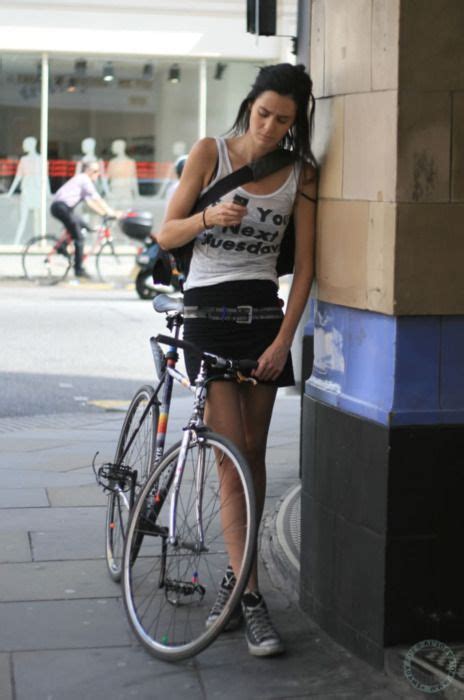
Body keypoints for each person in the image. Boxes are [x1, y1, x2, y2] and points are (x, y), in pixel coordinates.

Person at [157, 63, 317, 657]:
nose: (272, 127)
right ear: (249, 105)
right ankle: (249, 598)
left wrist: (284, 342)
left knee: (252, 453)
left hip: (262, 323)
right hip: (208, 317)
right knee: (229, 460)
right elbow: (165, 233)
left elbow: (306, 268)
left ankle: (234, 576)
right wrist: (207, 217)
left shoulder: (301, 174)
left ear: (298, 121)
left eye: (284, 119)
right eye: (263, 114)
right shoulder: (211, 153)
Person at [50, 161, 119, 278]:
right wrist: (110, 211)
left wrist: (103, 213)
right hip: (61, 207)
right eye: (95, 171)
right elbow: (96, 198)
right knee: (79, 238)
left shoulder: (82, 181)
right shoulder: (84, 179)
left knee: (85, 226)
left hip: (64, 208)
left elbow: (90, 203)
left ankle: (63, 247)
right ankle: (78, 269)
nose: (97, 174)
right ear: (88, 170)